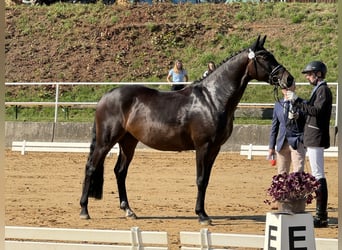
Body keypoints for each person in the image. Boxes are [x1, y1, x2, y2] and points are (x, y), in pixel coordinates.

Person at [287, 61, 332, 228]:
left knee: (318, 174)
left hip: (316, 137)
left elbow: (317, 111)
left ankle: (322, 216)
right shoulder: (318, 89)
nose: (307, 77)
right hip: (312, 136)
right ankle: (321, 215)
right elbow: (311, 112)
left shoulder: (324, 90)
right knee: (316, 174)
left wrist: (298, 100)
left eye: (309, 74)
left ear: (318, 74)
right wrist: (298, 114)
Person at [268, 82, 306, 175]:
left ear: (294, 87)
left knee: (298, 172)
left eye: (289, 85)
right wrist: (271, 146)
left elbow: (307, 119)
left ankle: (297, 189)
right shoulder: (278, 104)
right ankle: (283, 190)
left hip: (297, 142)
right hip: (282, 142)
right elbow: (274, 126)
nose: (286, 88)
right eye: (284, 86)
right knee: (281, 172)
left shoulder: (302, 103)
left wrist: (299, 116)